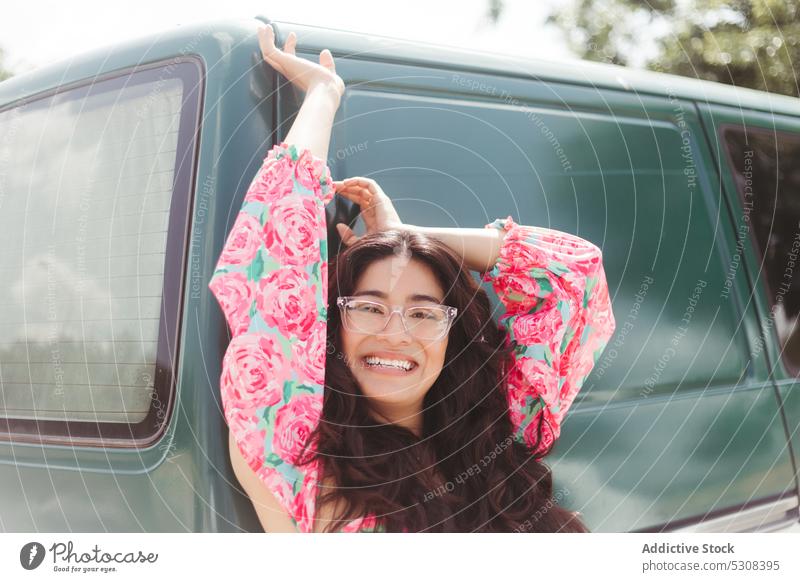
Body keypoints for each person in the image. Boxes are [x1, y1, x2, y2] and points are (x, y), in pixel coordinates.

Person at [208, 24, 616, 533]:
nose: (394, 331)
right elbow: (272, 262)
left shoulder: (498, 430)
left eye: (423, 312)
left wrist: (409, 236)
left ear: (453, 333)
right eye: (370, 306)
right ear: (332, 326)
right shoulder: (301, 455)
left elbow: (574, 272)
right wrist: (323, 95)